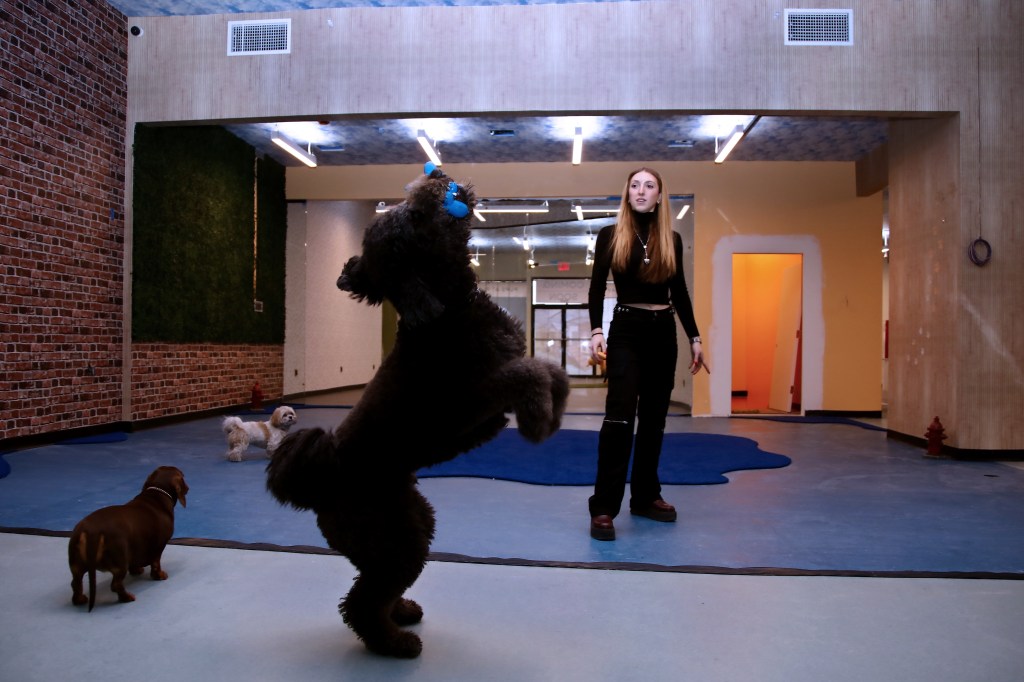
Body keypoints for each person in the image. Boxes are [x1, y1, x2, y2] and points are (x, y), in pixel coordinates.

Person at [587, 167, 708, 541]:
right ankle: (605, 507)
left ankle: (645, 497)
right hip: (625, 329)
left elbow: (681, 293)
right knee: (619, 419)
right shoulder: (611, 235)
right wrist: (595, 331)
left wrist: (695, 336)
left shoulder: (670, 238)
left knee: (654, 420)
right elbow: (595, 289)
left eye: (649, 186)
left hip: (663, 332)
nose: (641, 191)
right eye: (635, 185)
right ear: (627, 193)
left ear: (659, 195)